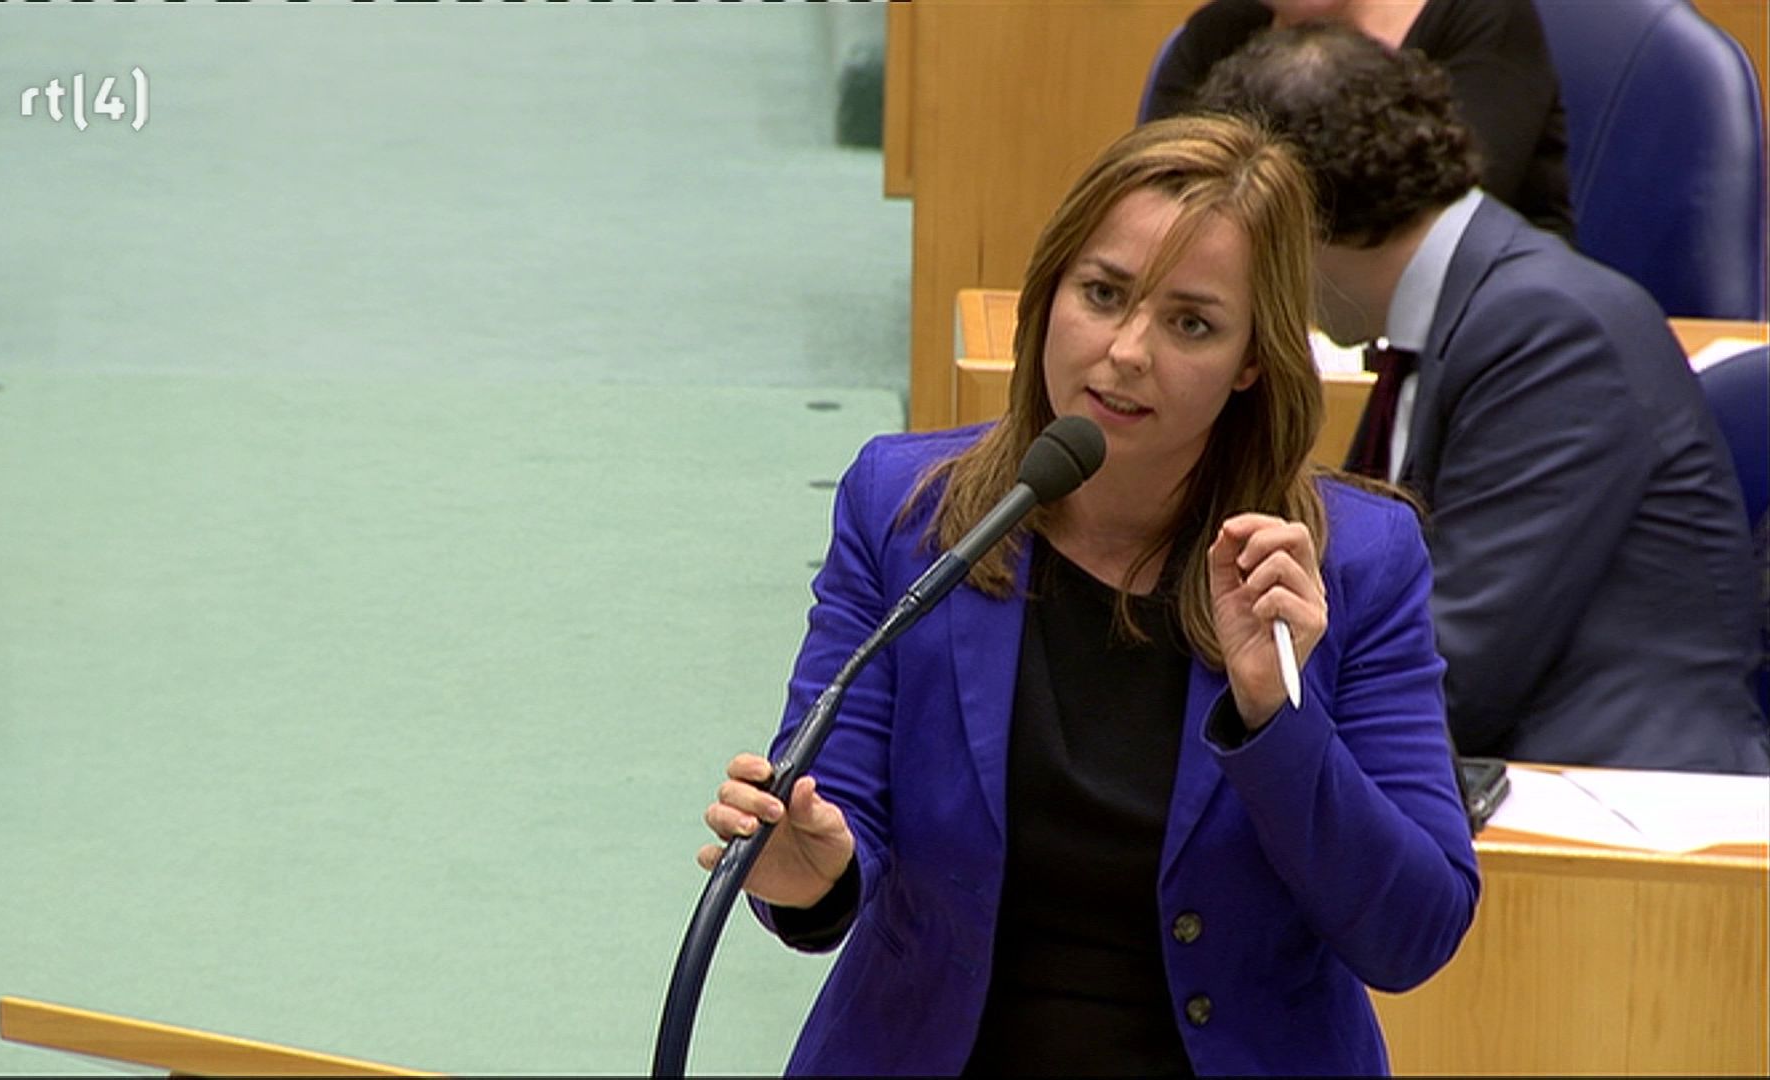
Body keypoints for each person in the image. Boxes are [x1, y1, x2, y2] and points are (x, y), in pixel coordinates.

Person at [696, 114, 1478, 1076]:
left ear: (1252, 361)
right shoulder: (905, 513)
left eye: (1191, 323)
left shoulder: (1350, 563)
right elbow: (833, 813)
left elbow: (1414, 934)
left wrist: (1276, 718)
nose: (1128, 351)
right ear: (1048, 293)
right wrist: (812, 872)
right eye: (1103, 294)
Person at [1195, 23, 1770, 771]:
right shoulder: (1458, 317)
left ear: (1298, 220)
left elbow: (1452, 665)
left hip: (1620, 796)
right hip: (1510, 769)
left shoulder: (1552, 330)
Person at [1144, 0, 1574, 242]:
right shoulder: (1215, 33)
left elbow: (1445, 219)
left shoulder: (1481, 17)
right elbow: (1159, 202)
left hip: (1470, 320)